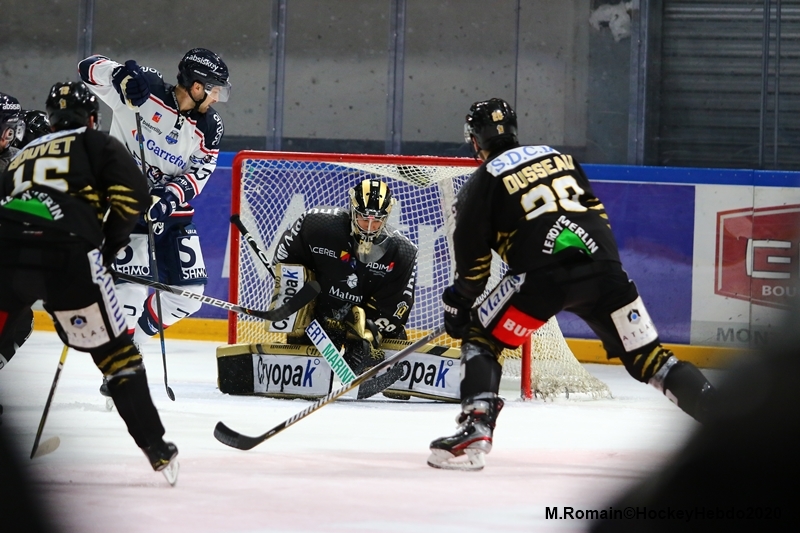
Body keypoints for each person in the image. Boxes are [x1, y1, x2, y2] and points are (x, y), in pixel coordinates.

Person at [428, 98, 717, 471]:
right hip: (607, 271)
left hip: (541, 278)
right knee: (652, 359)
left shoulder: (481, 183)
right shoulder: (560, 159)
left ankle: (475, 428)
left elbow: (474, 269)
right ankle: (727, 422)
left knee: (482, 338)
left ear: (474, 141)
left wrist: (458, 306)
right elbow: (594, 210)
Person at [0, 81, 178, 481]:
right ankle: (156, 448)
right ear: (92, 118)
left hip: (7, 257)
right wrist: (107, 247)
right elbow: (134, 200)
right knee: (118, 355)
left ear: (50, 118)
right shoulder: (97, 144)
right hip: (67, 259)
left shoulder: (24, 152)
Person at [78, 48, 230, 349]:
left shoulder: (210, 127)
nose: (216, 98)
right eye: (214, 90)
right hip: (120, 205)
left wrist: (167, 198)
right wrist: (118, 74)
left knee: (189, 297)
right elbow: (87, 68)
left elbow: (200, 172)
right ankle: (122, 362)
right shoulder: (143, 90)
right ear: (197, 86)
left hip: (168, 213)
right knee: (131, 293)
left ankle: (134, 345)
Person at [270, 178, 418, 395]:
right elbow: (284, 262)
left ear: (387, 216)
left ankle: (373, 357)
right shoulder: (316, 225)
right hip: (320, 316)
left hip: (363, 321)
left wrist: (365, 333)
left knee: (398, 389)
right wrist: (295, 296)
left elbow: (395, 310)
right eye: (363, 218)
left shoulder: (402, 252)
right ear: (351, 208)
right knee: (303, 385)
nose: (368, 227)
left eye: (376, 220)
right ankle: (301, 348)